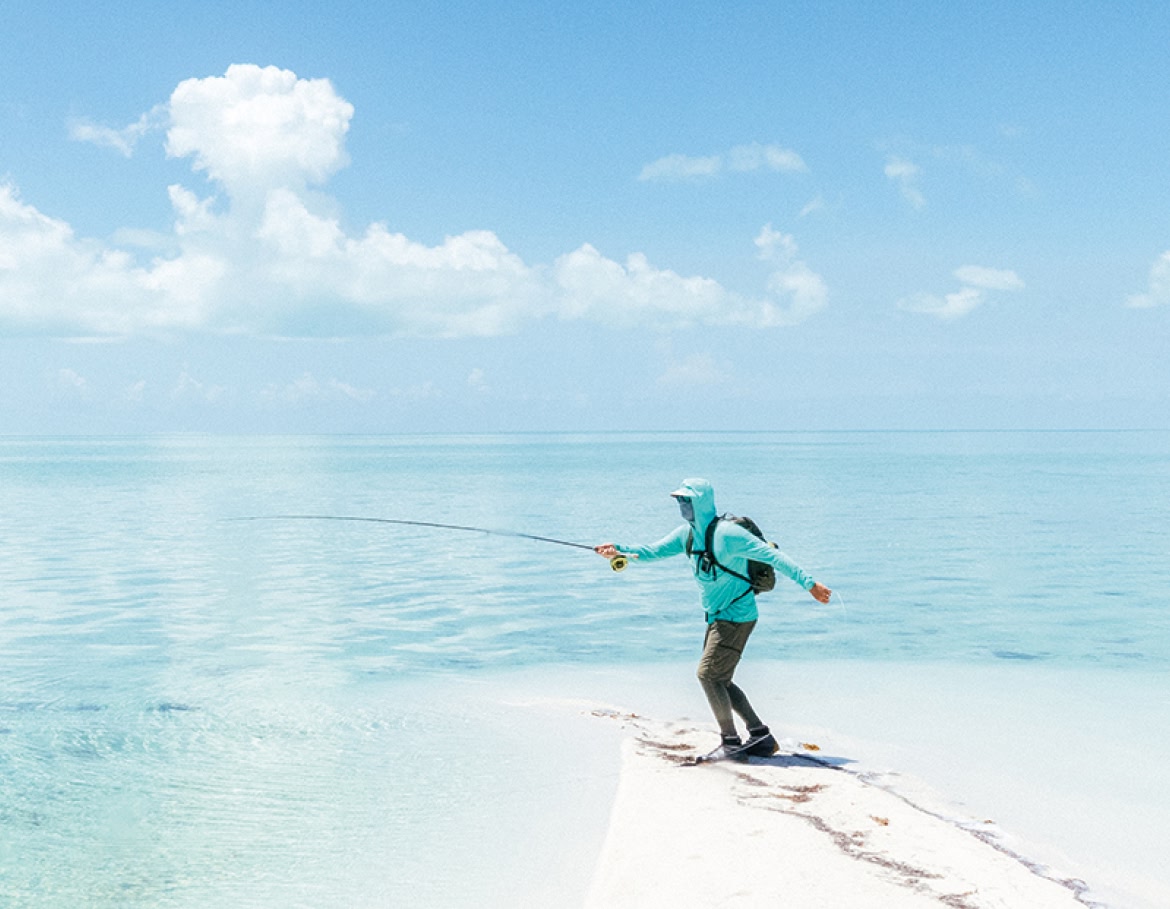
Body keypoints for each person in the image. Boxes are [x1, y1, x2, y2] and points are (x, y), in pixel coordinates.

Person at [595, 478, 831, 761]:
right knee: (722, 680)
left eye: (687, 501)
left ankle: (730, 742)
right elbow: (651, 551)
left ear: (701, 502)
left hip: (737, 616)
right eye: (679, 501)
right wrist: (618, 549)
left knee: (707, 675)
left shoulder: (730, 535)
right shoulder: (688, 535)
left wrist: (810, 584)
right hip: (717, 617)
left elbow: (775, 557)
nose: (682, 506)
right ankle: (761, 737)